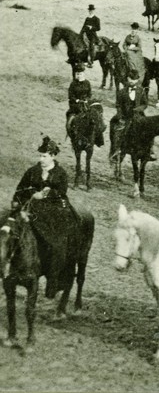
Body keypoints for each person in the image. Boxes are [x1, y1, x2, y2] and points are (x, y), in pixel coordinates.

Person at [11, 136, 79, 298]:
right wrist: (24, 199)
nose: (41, 159)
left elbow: (62, 192)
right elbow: (20, 190)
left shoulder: (60, 173)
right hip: (32, 210)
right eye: (40, 156)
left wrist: (46, 195)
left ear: (53, 156)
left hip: (54, 212)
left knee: (56, 244)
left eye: (45, 156)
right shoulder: (32, 171)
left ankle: (54, 280)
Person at [109, 68, 154, 161]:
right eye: (130, 79)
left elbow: (145, 104)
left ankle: (149, 151)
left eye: (134, 79)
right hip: (125, 115)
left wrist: (137, 109)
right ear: (127, 79)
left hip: (138, 115)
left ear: (137, 80)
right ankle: (115, 150)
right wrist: (120, 114)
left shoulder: (141, 91)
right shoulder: (121, 92)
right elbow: (118, 104)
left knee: (149, 129)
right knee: (116, 128)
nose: (132, 81)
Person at [66, 63, 91, 134]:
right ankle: (74, 129)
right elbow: (70, 95)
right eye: (77, 74)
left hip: (85, 102)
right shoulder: (73, 84)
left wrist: (87, 99)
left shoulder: (87, 83)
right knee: (78, 113)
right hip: (75, 103)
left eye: (80, 74)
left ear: (83, 74)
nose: (79, 76)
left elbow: (89, 94)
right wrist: (76, 100)